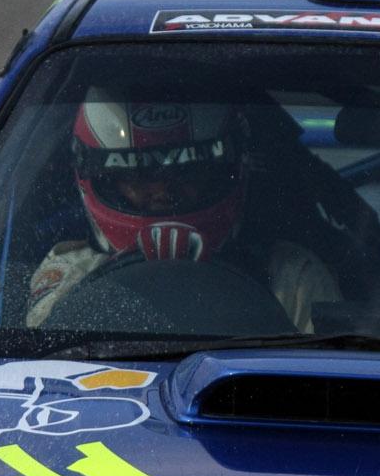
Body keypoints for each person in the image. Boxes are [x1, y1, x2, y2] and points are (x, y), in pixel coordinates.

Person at [25, 89, 340, 329]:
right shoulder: (70, 273)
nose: (164, 192)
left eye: (188, 172)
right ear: (105, 180)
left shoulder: (293, 278)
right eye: (140, 175)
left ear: (226, 171)